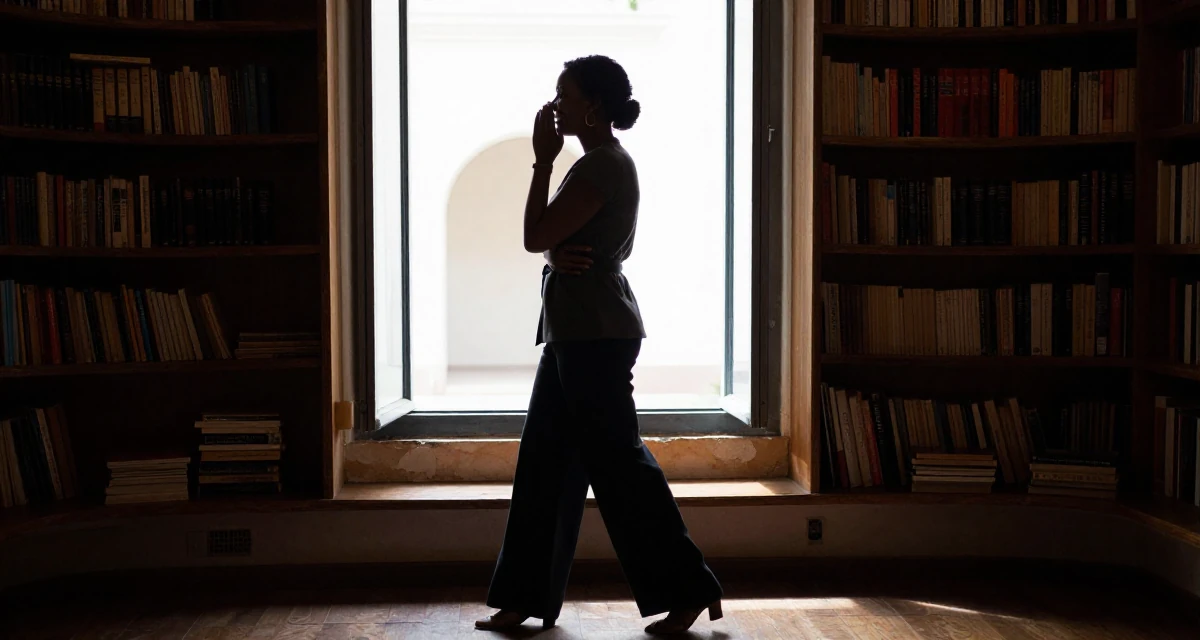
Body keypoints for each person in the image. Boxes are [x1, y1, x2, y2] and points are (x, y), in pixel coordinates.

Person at [474, 55, 723, 636]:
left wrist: (541, 162)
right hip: (574, 333)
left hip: (595, 336)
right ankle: (522, 599)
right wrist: (555, 255)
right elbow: (558, 242)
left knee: (619, 467)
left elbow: (535, 233)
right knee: (545, 466)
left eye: (564, 94)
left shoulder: (600, 167)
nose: (554, 103)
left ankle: (687, 589)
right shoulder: (596, 165)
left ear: (592, 106)